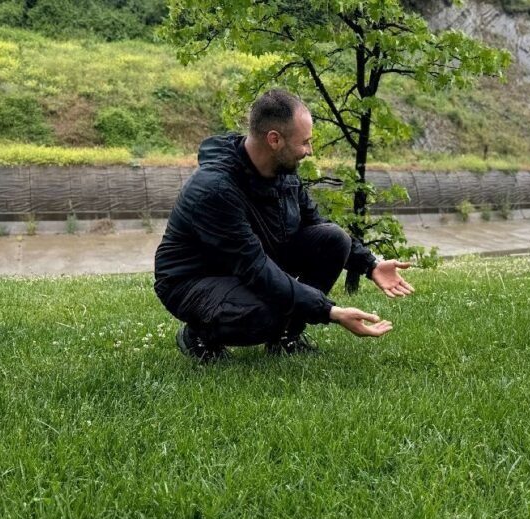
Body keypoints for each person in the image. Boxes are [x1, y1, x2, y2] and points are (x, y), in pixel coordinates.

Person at [153, 88, 414, 362]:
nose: (309, 151)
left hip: (250, 264)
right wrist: (329, 312)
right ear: (274, 140)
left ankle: (285, 336)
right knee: (268, 313)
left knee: (334, 239)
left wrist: (370, 264)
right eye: (304, 143)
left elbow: (317, 223)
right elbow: (255, 269)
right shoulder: (215, 189)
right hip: (194, 281)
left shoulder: (282, 174)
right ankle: (199, 335)